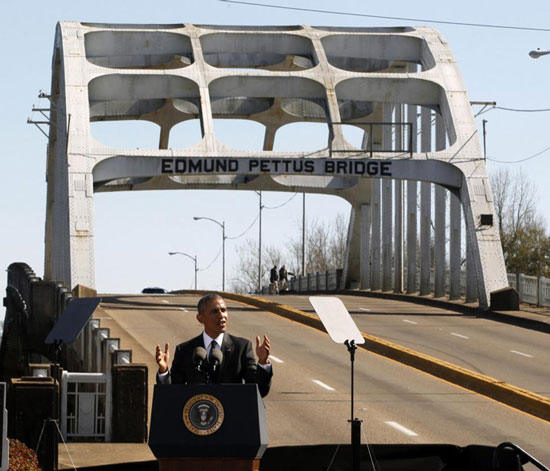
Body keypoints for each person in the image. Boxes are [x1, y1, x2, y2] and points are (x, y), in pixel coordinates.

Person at [155, 293, 272, 397]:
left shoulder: (241, 347)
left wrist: (262, 363)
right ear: (200, 318)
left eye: (224, 310)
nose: (222, 315)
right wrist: (164, 370)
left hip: (234, 417)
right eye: (215, 311)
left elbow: (259, 391)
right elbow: (172, 392)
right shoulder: (185, 350)